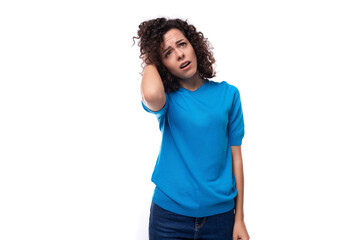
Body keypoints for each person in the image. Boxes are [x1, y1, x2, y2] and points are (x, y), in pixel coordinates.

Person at [134, 17, 250, 240]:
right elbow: (151, 94)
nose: (179, 55)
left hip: (220, 217)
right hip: (169, 218)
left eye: (182, 44)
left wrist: (240, 219)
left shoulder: (229, 95)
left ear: (194, 45)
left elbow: (236, 158)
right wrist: (150, 57)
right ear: (162, 65)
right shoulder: (167, 99)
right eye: (167, 53)